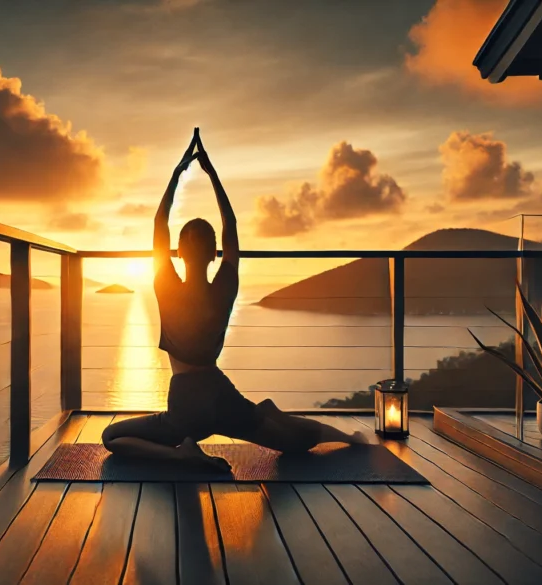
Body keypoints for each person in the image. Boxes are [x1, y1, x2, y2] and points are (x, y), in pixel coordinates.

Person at [101, 129, 367, 472]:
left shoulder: (166, 285)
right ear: (214, 253)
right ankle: (347, 438)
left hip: (183, 406)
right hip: (220, 395)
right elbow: (231, 224)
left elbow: (159, 222)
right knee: (292, 444)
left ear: (179, 252)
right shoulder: (224, 286)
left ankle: (181, 454)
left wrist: (177, 173)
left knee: (112, 438)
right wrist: (212, 175)